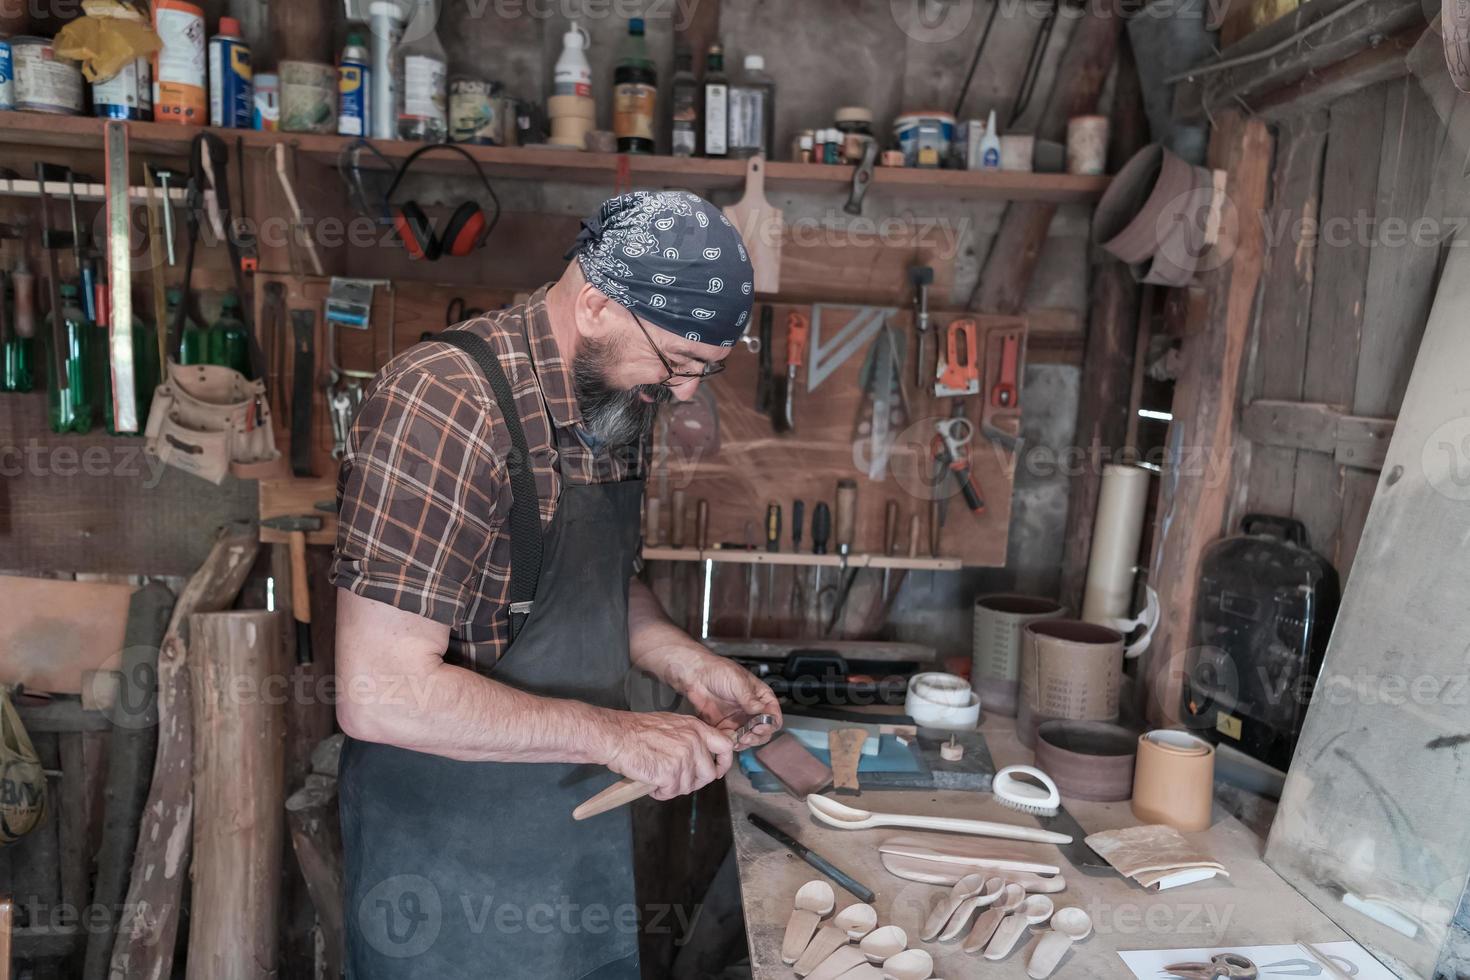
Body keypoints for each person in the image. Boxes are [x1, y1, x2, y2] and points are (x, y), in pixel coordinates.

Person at [330, 191, 782, 978]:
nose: (682, 394)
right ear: (599, 305)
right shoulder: (444, 404)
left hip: (572, 845)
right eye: (677, 363)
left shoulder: (615, 393)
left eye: (704, 371)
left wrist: (685, 663)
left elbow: (601, 584)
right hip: (446, 870)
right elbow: (381, 692)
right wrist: (617, 735)